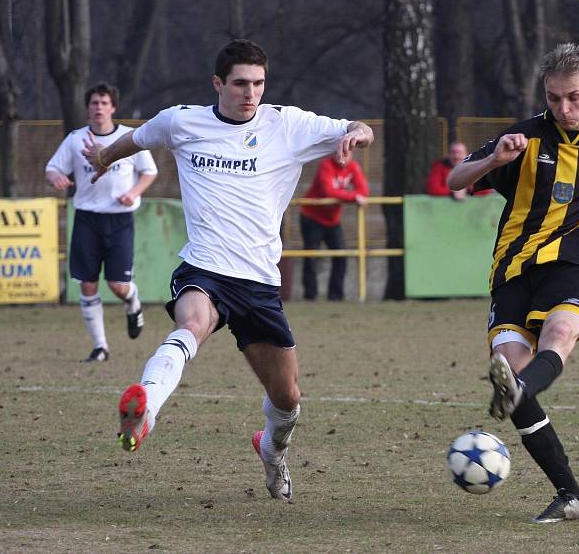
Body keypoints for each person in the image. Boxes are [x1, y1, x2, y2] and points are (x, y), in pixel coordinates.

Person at [81, 39, 373, 501]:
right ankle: (146, 408)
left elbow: (360, 126)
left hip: (259, 283)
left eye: (258, 83)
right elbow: (135, 138)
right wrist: (102, 158)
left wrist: (356, 135)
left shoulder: (289, 125)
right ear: (218, 83)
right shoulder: (182, 121)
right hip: (205, 267)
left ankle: (273, 453)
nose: (250, 92)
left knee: (288, 398)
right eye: (240, 83)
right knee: (192, 324)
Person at [448, 43, 579, 524]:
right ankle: (573, 497)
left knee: (558, 336)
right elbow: (456, 178)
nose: (563, 108)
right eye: (554, 98)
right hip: (514, 272)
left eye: (573, 98)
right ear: (545, 93)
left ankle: (515, 387)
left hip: (574, 268)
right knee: (517, 382)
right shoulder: (522, 138)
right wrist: (494, 160)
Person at [46, 82, 158, 362]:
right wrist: (56, 178)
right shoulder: (75, 139)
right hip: (86, 218)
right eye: (94, 103)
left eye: (104, 103)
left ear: (113, 107)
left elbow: (149, 172)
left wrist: (133, 193)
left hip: (119, 221)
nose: (99, 108)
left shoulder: (128, 138)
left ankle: (133, 302)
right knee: (86, 283)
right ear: (88, 108)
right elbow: (52, 168)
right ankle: (100, 348)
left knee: (117, 285)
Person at [300, 151, 369, 301]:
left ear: (352, 154)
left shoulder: (353, 167)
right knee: (311, 256)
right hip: (312, 216)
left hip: (332, 220)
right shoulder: (326, 165)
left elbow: (363, 191)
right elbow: (328, 191)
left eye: (346, 152)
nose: (341, 156)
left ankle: (335, 296)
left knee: (341, 256)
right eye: (338, 152)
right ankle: (310, 296)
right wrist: (353, 197)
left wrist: (354, 196)